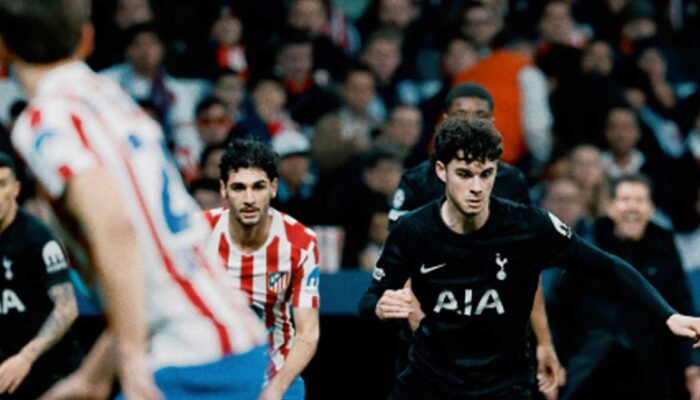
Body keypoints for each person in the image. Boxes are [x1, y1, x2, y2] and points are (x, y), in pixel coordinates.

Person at [0, 1, 268, 399]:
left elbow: (116, 227)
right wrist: (94, 375)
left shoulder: (46, 118)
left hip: (188, 355)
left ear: (3, 47)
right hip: (228, 336)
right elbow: (146, 258)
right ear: (87, 39)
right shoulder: (112, 96)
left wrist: (129, 354)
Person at [359, 117, 700, 400]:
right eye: (464, 174)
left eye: (486, 173)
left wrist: (667, 314)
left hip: (504, 385)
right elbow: (370, 299)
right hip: (430, 383)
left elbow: (605, 266)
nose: (477, 187)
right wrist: (380, 306)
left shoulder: (528, 225)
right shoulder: (412, 230)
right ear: (441, 171)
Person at [389, 83, 563, 399]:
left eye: (480, 116)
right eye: (461, 114)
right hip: (429, 336)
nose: (471, 122)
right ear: (444, 120)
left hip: (496, 342)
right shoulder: (417, 181)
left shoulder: (511, 180)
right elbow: (399, 262)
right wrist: (420, 324)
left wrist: (545, 342)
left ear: (493, 122)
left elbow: (527, 266)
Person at [551, 174, 699, 400]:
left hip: (652, 368)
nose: (632, 207)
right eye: (625, 199)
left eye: (639, 200)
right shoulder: (587, 245)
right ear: (610, 207)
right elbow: (557, 307)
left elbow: (683, 305)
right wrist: (554, 359)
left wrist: (692, 367)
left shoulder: (664, 247)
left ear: (651, 209)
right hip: (591, 366)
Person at [203, 139, 320, 400]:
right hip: (212, 376)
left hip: (276, 377)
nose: (249, 199)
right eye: (238, 188)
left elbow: (308, 332)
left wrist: (275, 390)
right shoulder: (197, 234)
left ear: (273, 188)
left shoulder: (300, 242)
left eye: (258, 187)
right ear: (223, 190)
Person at [0, 152, 82, 399]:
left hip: (49, 371)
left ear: (16, 189)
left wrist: (26, 357)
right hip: (6, 372)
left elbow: (67, 308)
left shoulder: (38, 239)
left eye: (2, 184)